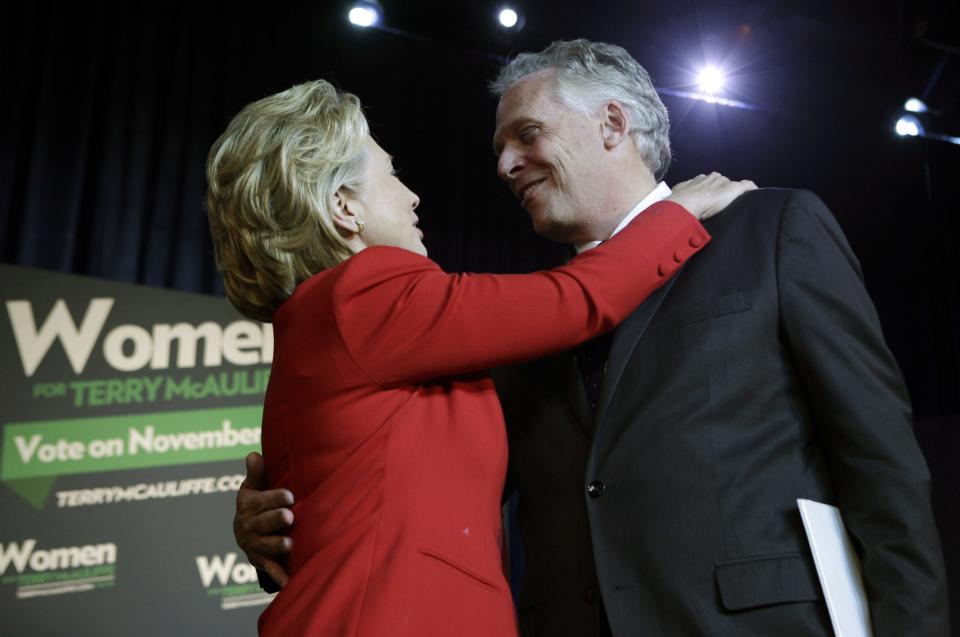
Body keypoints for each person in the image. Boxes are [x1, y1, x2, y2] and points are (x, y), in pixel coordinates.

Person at [234, 41, 950, 637]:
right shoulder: (519, 325)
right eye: (498, 148)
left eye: (526, 135)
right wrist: (280, 522)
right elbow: (417, 476)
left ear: (611, 122)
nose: (504, 165)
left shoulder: (773, 230)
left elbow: (879, 460)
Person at [207, 78, 752, 636]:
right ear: (344, 207)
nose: (411, 195)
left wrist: (266, 526)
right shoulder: (363, 293)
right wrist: (677, 211)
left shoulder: (319, 324)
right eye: (390, 174)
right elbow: (572, 301)